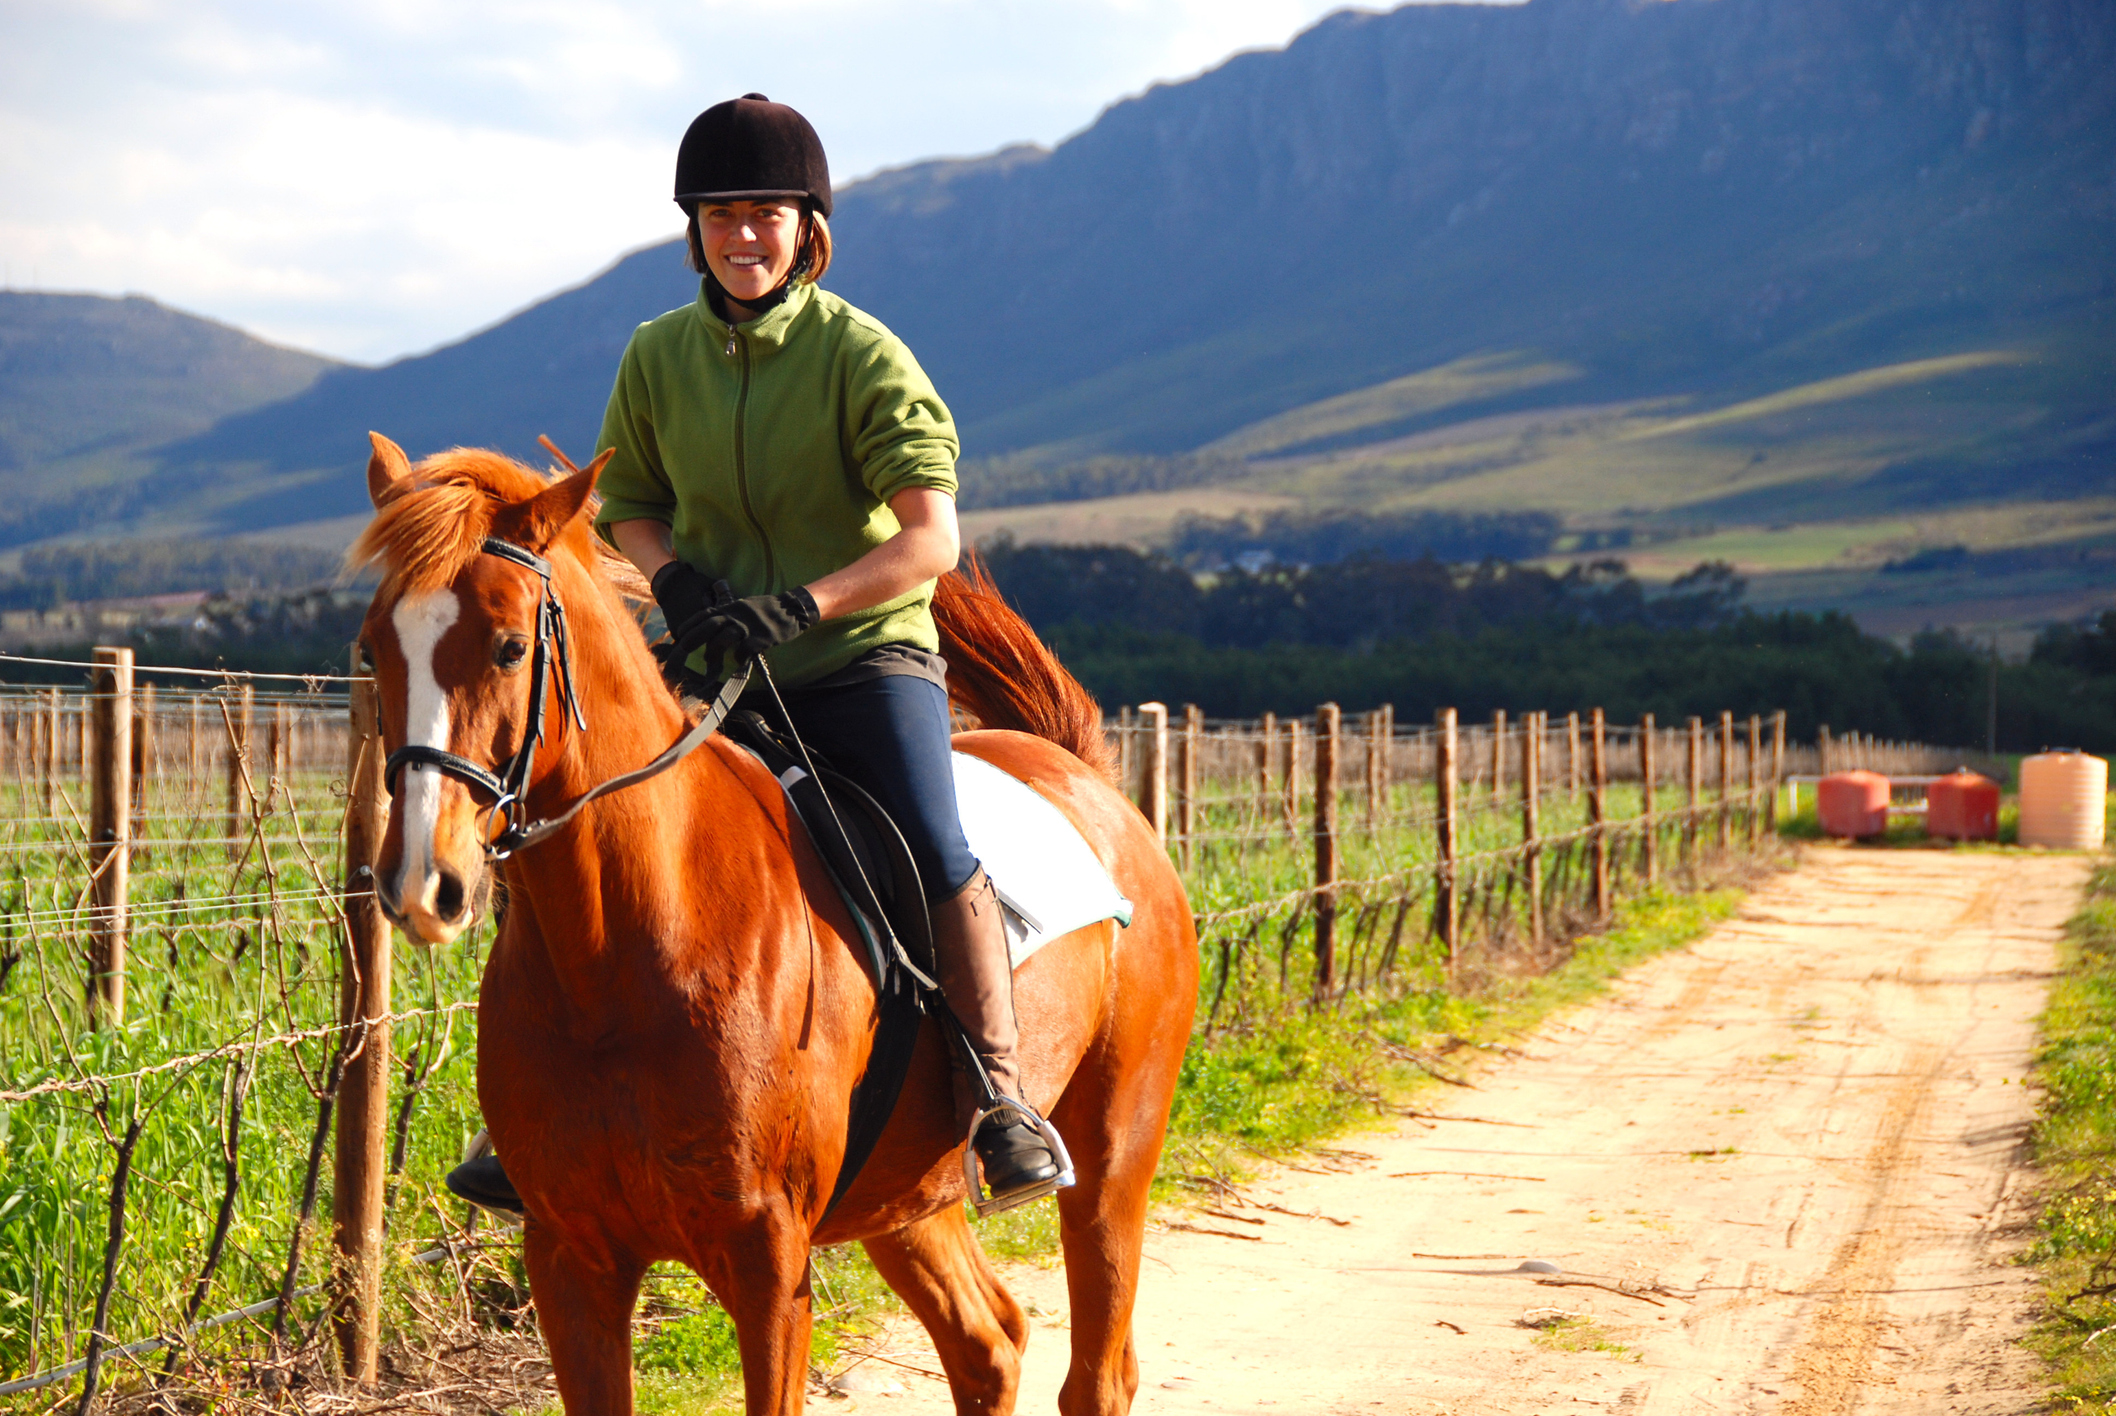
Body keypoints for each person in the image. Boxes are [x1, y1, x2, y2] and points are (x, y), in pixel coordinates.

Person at [445, 94, 1061, 1214]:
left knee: (930, 841)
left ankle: (1000, 1098)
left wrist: (805, 605)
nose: (741, 236)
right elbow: (628, 500)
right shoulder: (655, 356)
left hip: (864, 658)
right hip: (717, 658)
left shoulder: (863, 356)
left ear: (805, 228)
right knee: (575, 818)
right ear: (694, 231)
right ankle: (530, 1115)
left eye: (764, 215)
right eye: (719, 215)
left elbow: (932, 538)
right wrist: (673, 575)